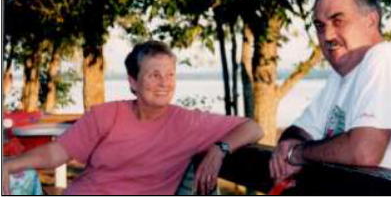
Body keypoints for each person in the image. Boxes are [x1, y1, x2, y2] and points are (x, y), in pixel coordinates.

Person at [3, 40, 263, 195]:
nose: (164, 83)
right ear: (133, 82)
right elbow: (57, 153)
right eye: (154, 75)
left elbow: (253, 127)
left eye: (170, 75)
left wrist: (220, 149)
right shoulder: (106, 115)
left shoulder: (188, 123)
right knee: (17, 181)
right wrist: (8, 165)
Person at [269, 0, 391, 185]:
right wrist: (289, 144)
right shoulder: (339, 77)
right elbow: (300, 129)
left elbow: (363, 151)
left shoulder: (385, 58)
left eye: (338, 21)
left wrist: (298, 154)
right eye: (320, 26)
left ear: (371, 20)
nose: (327, 35)